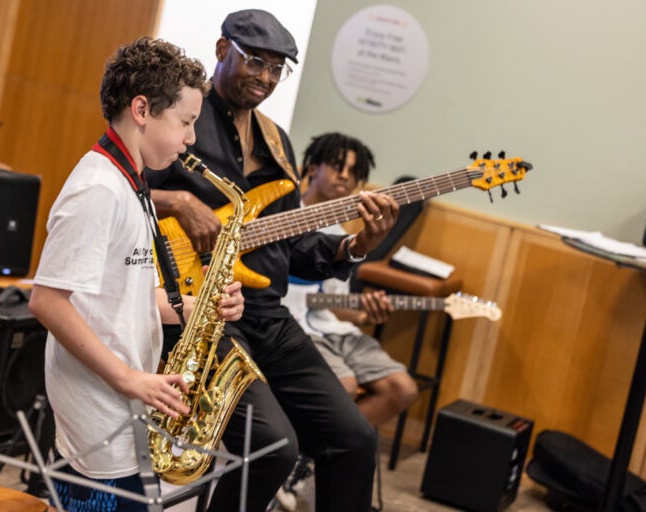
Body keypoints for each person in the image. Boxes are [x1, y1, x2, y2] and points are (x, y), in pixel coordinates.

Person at [147, 10, 400, 512]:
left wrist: (356, 246)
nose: (265, 78)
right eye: (254, 62)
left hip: (266, 313)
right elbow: (119, 188)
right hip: (202, 310)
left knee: (356, 439)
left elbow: (295, 249)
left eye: (276, 68)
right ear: (222, 51)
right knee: (273, 446)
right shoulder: (180, 115)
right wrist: (176, 201)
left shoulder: (277, 142)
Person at [27, 37, 245, 512]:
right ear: (142, 109)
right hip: (99, 404)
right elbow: (46, 302)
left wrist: (196, 308)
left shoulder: (132, 182)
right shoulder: (98, 189)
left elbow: (125, 295)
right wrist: (128, 379)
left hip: (122, 399)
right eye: (186, 122)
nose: (191, 138)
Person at [276, 132, 419, 510]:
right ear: (312, 167)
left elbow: (328, 303)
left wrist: (363, 312)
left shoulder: (350, 238)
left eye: (354, 173)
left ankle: (308, 461)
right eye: (337, 166)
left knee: (401, 388)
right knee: (347, 384)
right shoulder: (281, 215)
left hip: (329, 326)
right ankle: (314, 458)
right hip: (292, 327)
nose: (345, 178)